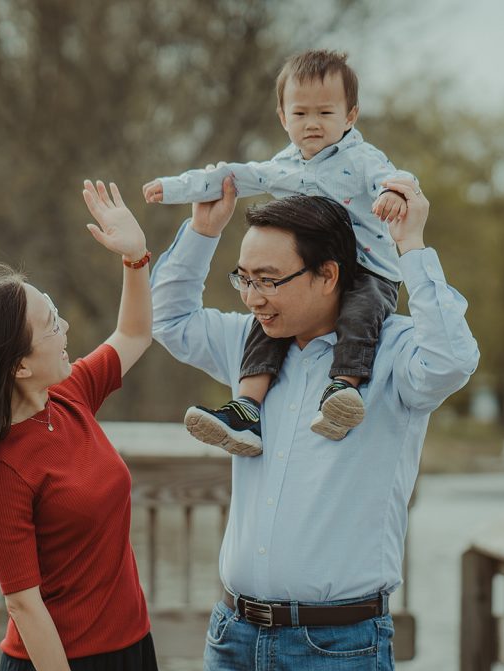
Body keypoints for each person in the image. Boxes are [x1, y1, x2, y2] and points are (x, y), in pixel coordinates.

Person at [150, 175, 478, 671]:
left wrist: (411, 246)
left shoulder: (395, 352)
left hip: (338, 651)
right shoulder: (249, 347)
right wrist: (202, 233)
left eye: (269, 279)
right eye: (244, 279)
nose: (252, 298)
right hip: (233, 637)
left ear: (328, 275)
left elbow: (454, 360)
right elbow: (169, 320)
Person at [0, 181, 161, 671]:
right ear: (17, 366)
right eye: (52, 322)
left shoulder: (70, 394)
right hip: (60, 668)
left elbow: (136, 333)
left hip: (132, 649)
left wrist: (136, 257)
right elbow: (23, 605)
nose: (66, 328)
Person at [144, 49, 416, 455]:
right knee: (267, 323)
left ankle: (343, 388)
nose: (312, 124)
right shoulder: (283, 165)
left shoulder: (361, 160)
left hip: (367, 271)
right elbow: (231, 175)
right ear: (283, 117)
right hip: (303, 283)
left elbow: (396, 177)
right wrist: (178, 189)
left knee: (361, 314)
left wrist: (395, 194)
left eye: (326, 114)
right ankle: (247, 409)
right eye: (301, 113)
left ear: (351, 116)